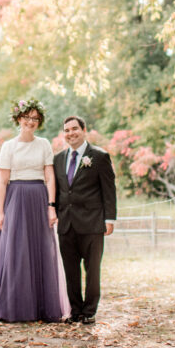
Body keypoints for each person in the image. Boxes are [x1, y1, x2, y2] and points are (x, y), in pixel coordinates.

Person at [0, 98, 68, 322]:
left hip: (38, 198)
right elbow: (2, 182)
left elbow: (50, 176)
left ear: (39, 122)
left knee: (41, 248)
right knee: (15, 251)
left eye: (35, 118)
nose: (31, 122)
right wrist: (2, 212)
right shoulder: (8, 146)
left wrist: (51, 206)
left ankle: (41, 307)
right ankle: (13, 307)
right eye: (27, 117)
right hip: (15, 199)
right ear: (18, 119)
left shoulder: (44, 144)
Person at [54, 115, 116, 324]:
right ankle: (74, 310)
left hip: (92, 223)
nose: (70, 133)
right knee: (70, 271)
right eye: (67, 130)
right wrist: (53, 212)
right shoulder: (58, 159)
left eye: (74, 129)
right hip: (66, 224)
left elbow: (109, 190)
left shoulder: (99, 156)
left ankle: (89, 312)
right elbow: (58, 192)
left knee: (92, 270)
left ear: (84, 130)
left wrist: (110, 219)